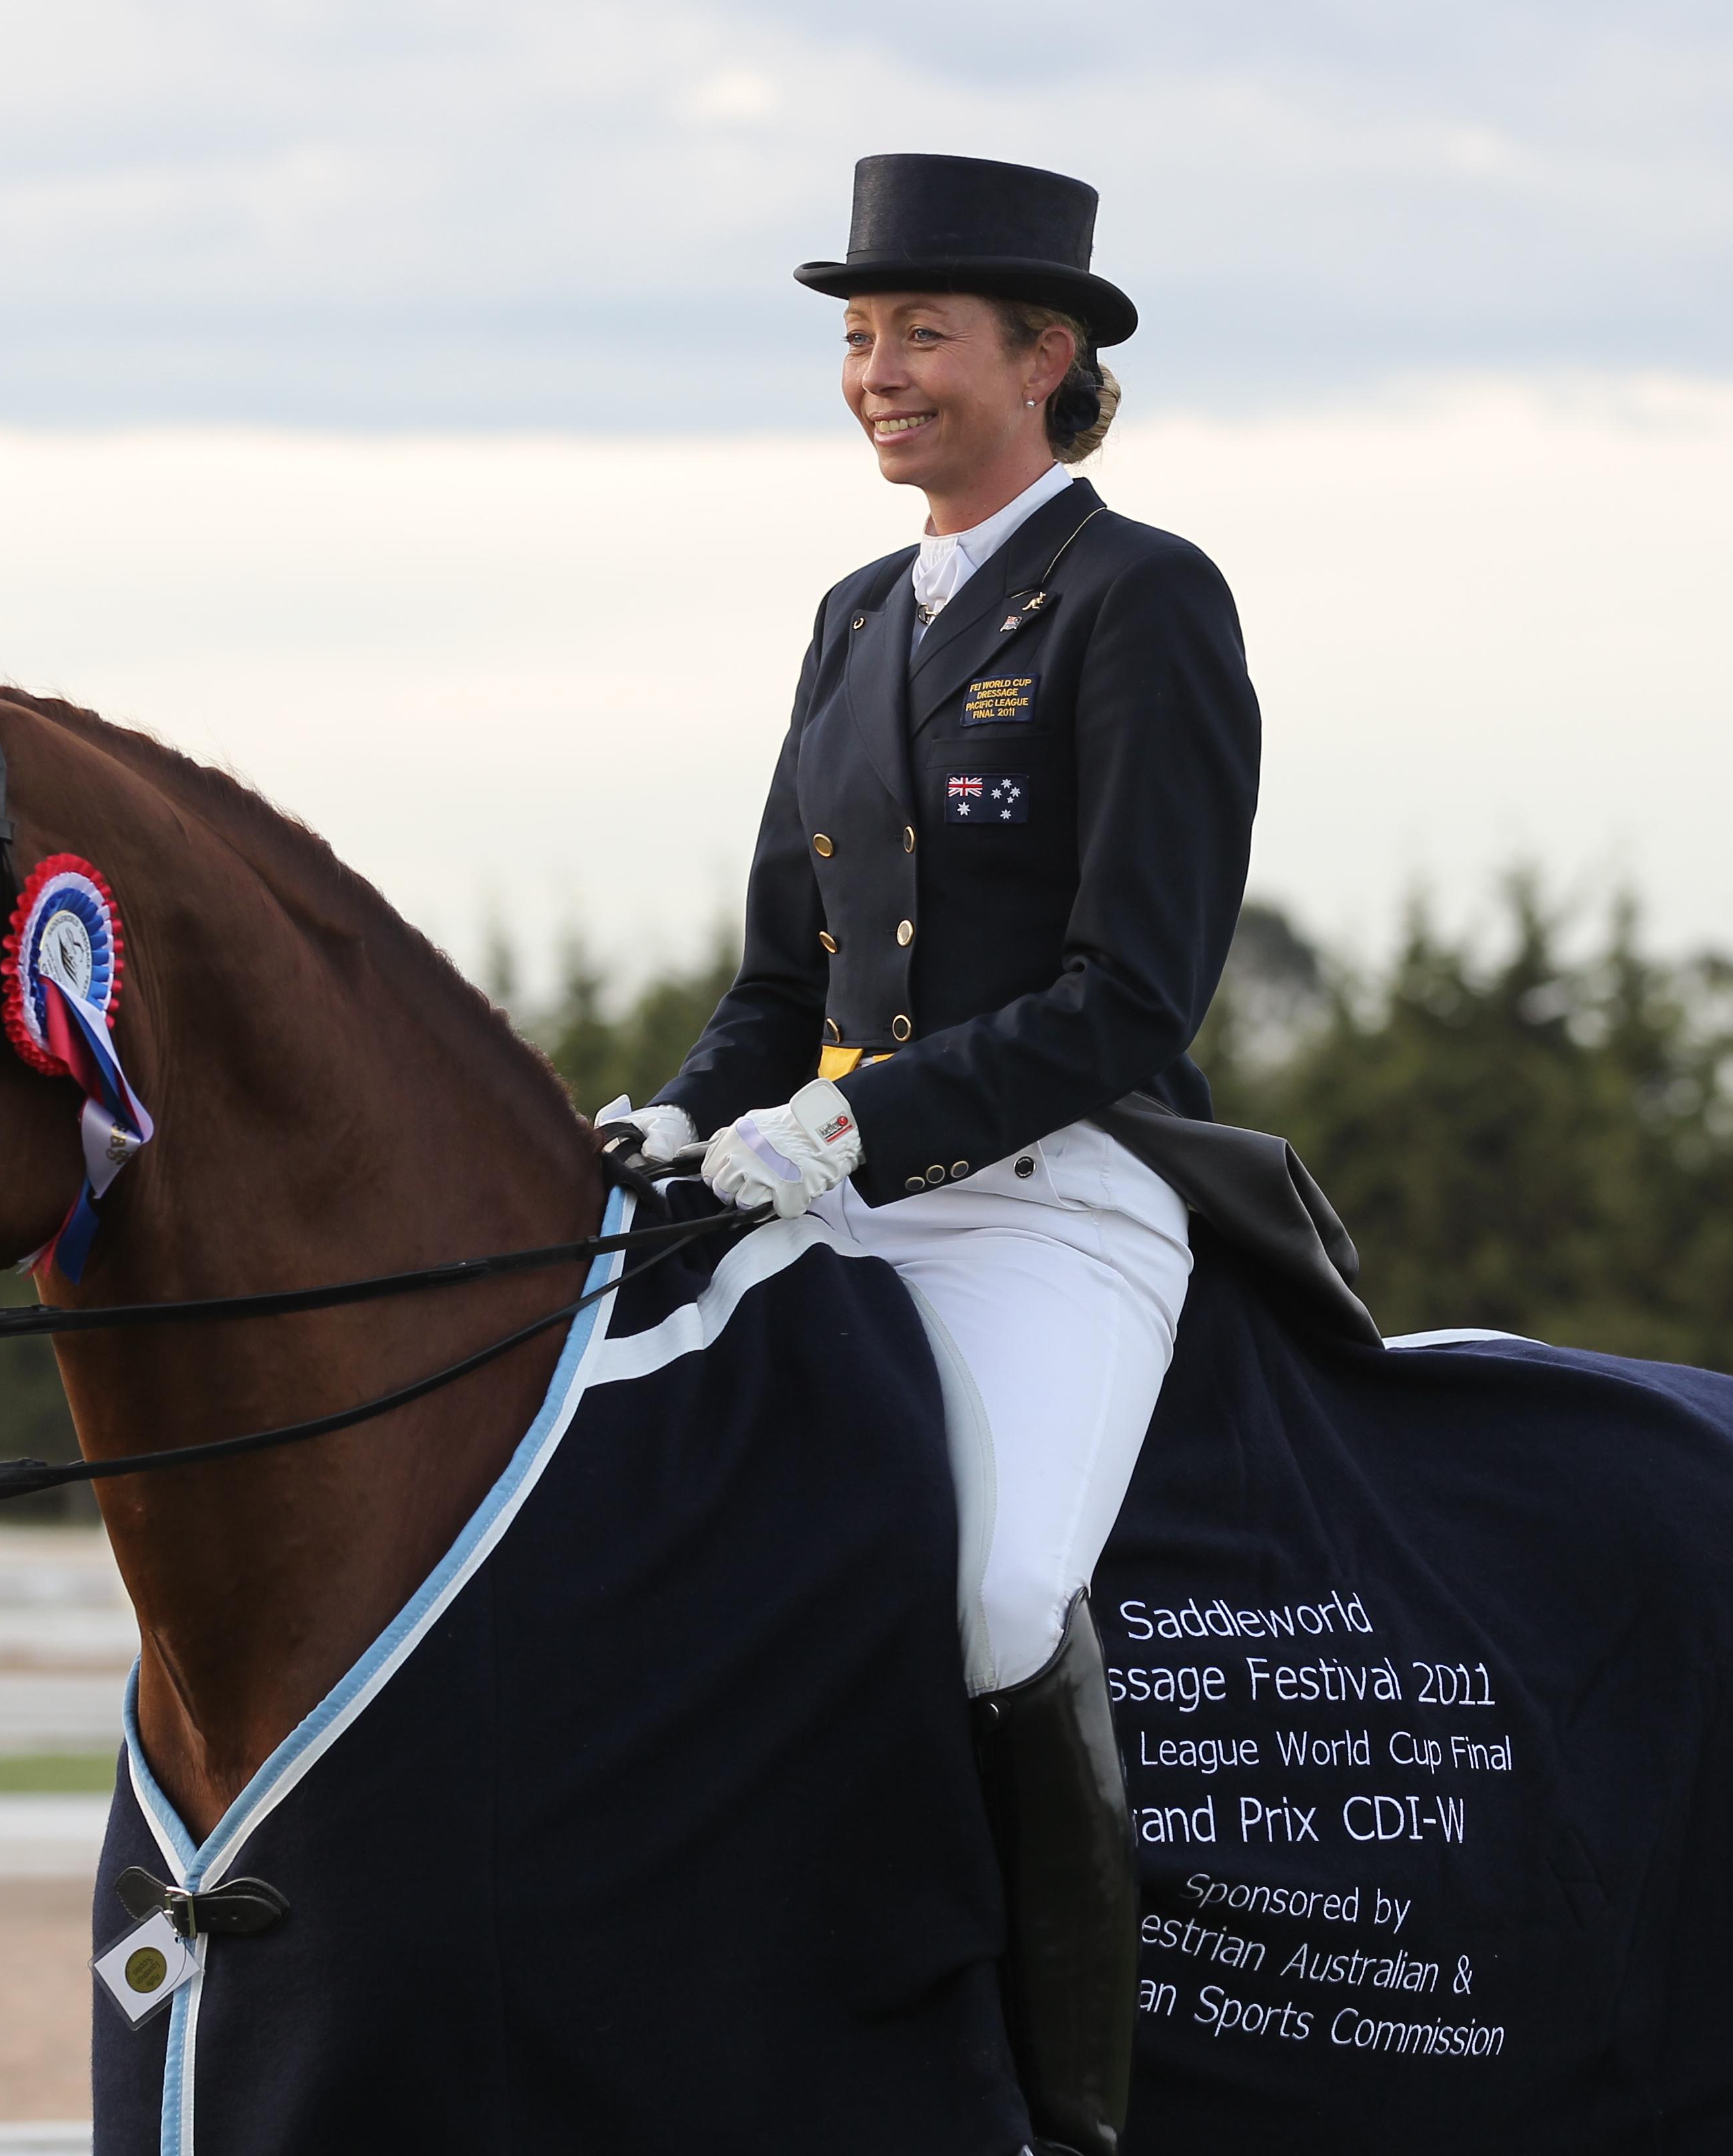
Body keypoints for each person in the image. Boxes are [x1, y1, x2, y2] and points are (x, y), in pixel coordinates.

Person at [599, 153, 1259, 2156]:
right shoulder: (856, 618)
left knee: (996, 1597)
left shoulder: (1142, 599)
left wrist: (853, 1123)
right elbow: (776, 976)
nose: (877, 371)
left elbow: (1129, 996)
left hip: (1060, 1195)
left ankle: (1065, 2106)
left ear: (1044, 358)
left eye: (922, 335)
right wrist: (675, 1118)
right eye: (861, 337)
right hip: (825, 1188)